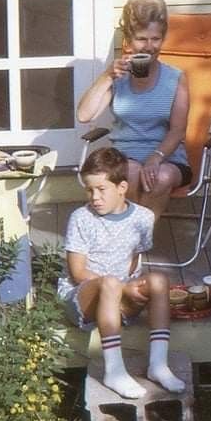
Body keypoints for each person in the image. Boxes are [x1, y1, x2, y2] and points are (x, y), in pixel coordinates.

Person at [57, 147, 186, 398]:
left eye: (101, 189)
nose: (95, 197)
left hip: (119, 295)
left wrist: (128, 287)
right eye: (89, 190)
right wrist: (121, 287)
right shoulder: (81, 218)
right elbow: (77, 272)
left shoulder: (143, 217)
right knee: (111, 283)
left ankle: (158, 365)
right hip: (81, 298)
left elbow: (134, 261)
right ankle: (114, 371)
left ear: (122, 187)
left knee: (158, 280)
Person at [76, 0, 191, 221]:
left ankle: (135, 238)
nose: (149, 47)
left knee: (161, 177)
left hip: (167, 158)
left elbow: (178, 130)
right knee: (131, 173)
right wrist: (107, 76)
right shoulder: (118, 76)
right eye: (141, 39)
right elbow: (84, 115)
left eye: (156, 39)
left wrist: (156, 158)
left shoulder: (175, 78)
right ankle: (134, 236)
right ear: (128, 39)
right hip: (125, 159)